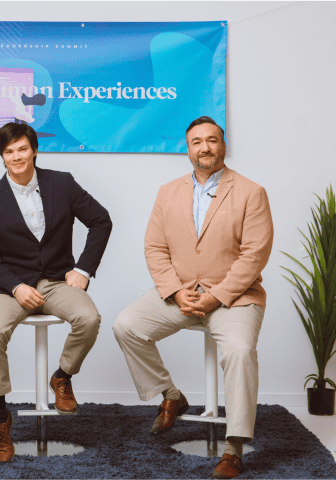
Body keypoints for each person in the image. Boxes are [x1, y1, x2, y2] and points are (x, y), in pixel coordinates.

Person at [113, 117, 273, 479]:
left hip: (235, 297)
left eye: (212, 140)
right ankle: (171, 395)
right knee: (126, 326)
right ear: (187, 149)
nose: (205, 147)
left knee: (240, 351)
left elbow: (255, 254)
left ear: (224, 146)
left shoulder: (251, 192)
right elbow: (155, 247)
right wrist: (173, 290)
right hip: (181, 292)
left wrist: (217, 296)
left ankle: (233, 448)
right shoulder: (167, 191)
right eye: (197, 141)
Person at [0, 122, 112, 462]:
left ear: (34, 150)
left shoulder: (62, 183)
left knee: (89, 317)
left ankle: (62, 376)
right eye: (9, 151)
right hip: (12, 285)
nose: (16, 156)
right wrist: (15, 286)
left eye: (22, 149)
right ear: (2, 156)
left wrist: (83, 270)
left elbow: (101, 220)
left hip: (56, 281)